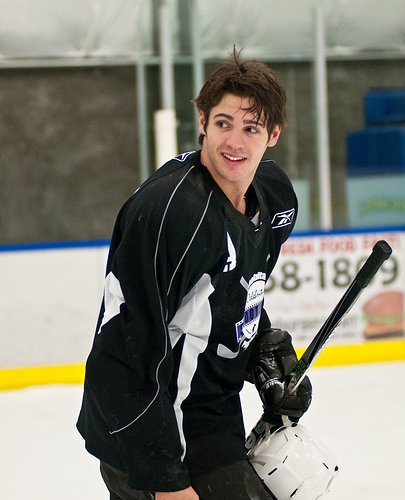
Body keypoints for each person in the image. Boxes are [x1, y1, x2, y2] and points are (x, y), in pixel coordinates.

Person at [77, 48, 312, 499]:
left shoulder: (275, 196)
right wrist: (168, 485)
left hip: (210, 419)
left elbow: (232, 291)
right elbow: (124, 357)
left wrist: (263, 358)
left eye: (252, 128)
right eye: (223, 123)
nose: (235, 143)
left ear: (274, 135)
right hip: (151, 433)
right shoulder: (173, 213)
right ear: (202, 121)